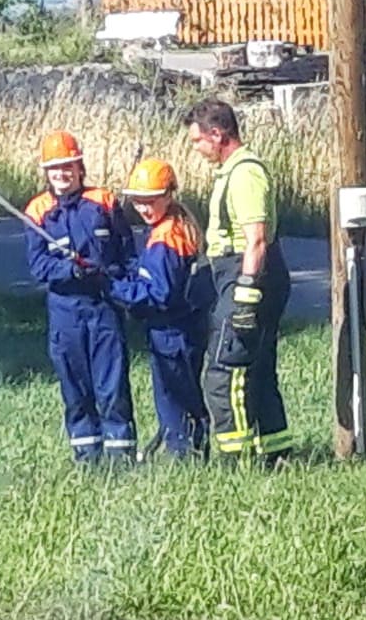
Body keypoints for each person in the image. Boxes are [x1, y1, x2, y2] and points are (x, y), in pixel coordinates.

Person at [182, 99, 294, 466]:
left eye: (198, 140)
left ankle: (235, 460)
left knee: (223, 371)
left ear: (218, 134)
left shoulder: (245, 174)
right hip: (241, 274)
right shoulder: (232, 172)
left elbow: (256, 239)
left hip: (248, 276)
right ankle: (276, 454)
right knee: (258, 370)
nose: (196, 149)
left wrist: (245, 297)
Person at [23, 130, 138, 464]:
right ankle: (87, 458)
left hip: (103, 308)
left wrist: (123, 288)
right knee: (75, 389)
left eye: (68, 166)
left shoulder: (103, 202)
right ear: (46, 172)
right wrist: (70, 271)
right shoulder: (37, 211)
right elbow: (38, 265)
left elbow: (127, 252)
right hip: (65, 312)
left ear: (79, 166)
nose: (62, 174)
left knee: (112, 386)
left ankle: (121, 459)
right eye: (54, 168)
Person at [106, 158, 212, 461]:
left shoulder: (167, 237)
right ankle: (186, 449)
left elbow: (158, 293)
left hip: (172, 332)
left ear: (168, 194)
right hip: (185, 328)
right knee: (184, 395)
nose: (143, 208)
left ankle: (184, 456)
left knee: (174, 398)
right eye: (138, 201)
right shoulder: (176, 225)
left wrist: (112, 287)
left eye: (150, 201)